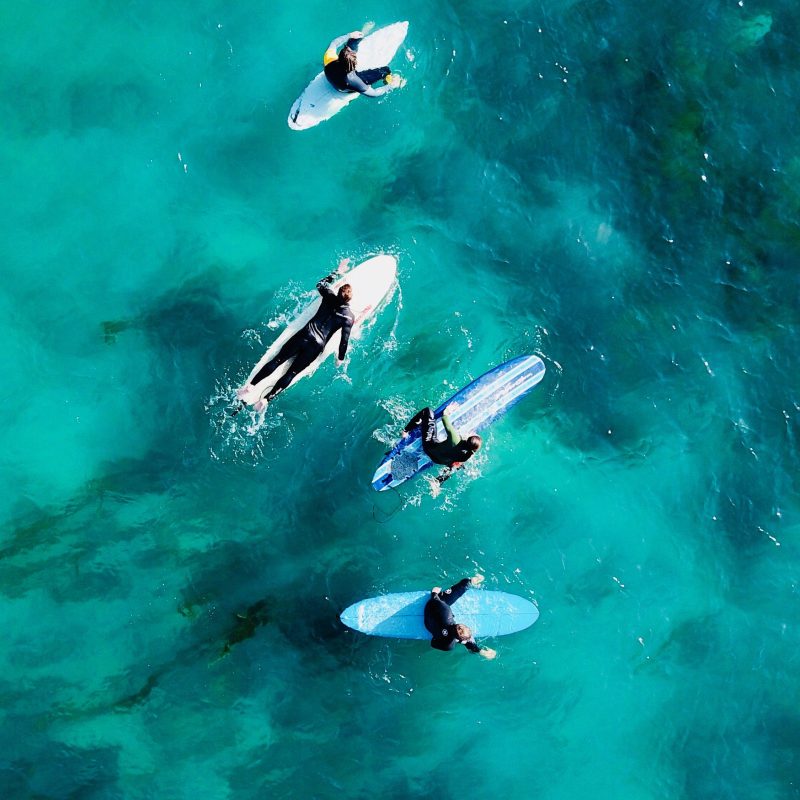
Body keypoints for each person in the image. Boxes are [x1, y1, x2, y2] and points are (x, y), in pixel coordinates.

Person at [237, 264, 354, 412]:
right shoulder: (348, 318)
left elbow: (321, 284)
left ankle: (250, 386)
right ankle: (266, 399)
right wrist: (340, 359)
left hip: (305, 334)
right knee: (291, 373)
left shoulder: (329, 296)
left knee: (278, 360)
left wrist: (338, 271)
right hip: (316, 346)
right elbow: (344, 341)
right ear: (349, 300)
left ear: (338, 293)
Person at [402, 404, 482, 484]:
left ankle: (405, 431)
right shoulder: (468, 455)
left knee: (428, 411)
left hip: (429, 449)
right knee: (456, 464)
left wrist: (449, 410)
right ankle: (437, 481)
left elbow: (444, 417)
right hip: (438, 461)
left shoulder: (455, 439)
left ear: (468, 438)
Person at [424, 575, 497, 659]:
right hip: (429, 626)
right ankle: (469, 582)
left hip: (431, 609)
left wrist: (434, 593)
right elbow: (433, 644)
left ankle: (470, 582)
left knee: (461, 587)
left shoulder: (446, 613)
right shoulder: (449, 645)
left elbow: (434, 602)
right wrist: (480, 651)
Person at [323, 30, 400, 96]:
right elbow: (374, 94)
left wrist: (350, 35)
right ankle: (387, 78)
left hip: (332, 76)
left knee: (353, 40)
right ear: (355, 64)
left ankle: (359, 36)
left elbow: (334, 43)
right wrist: (390, 86)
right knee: (384, 71)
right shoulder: (354, 81)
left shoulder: (329, 59)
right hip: (344, 89)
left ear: (339, 55)